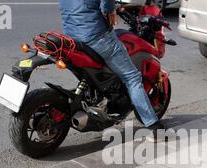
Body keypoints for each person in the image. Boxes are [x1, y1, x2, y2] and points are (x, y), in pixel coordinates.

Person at [59, 0, 166, 142]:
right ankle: (153, 127)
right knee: (132, 78)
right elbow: (106, 6)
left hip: (71, 36)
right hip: (96, 37)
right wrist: (111, 9)